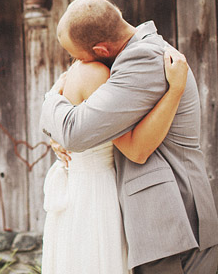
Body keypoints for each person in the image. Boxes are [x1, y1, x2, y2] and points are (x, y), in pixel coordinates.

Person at [40, 0, 218, 273]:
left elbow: (79, 135)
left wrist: (51, 98)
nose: (75, 64)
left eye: (76, 56)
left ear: (100, 50)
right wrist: (56, 135)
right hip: (161, 222)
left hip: (174, 219)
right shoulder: (129, 57)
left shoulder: (143, 58)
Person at [42, 49, 187, 274]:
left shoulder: (72, 73)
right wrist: (175, 90)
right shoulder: (98, 74)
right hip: (97, 190)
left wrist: (55, 135)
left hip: (75, 190)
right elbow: (135, 148)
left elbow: (59, 113)